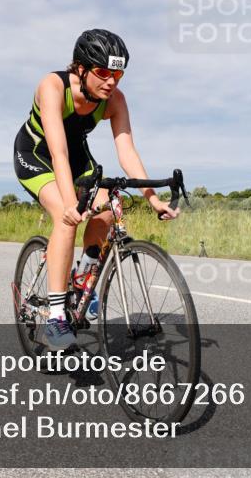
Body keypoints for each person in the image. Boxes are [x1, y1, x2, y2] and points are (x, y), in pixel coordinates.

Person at [13, 29, 179, 350]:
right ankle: (57, 316)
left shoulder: (115, 101)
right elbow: (58, 152)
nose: (111, 82)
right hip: (37, 154)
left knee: (111, 206)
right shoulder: (52, 87)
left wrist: (154, 200)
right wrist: (71, 204)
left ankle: (83, 277)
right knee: (66, 215)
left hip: (77, 159)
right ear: (80, 68)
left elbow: (127, 153)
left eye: (117, 74)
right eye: (103, 73)